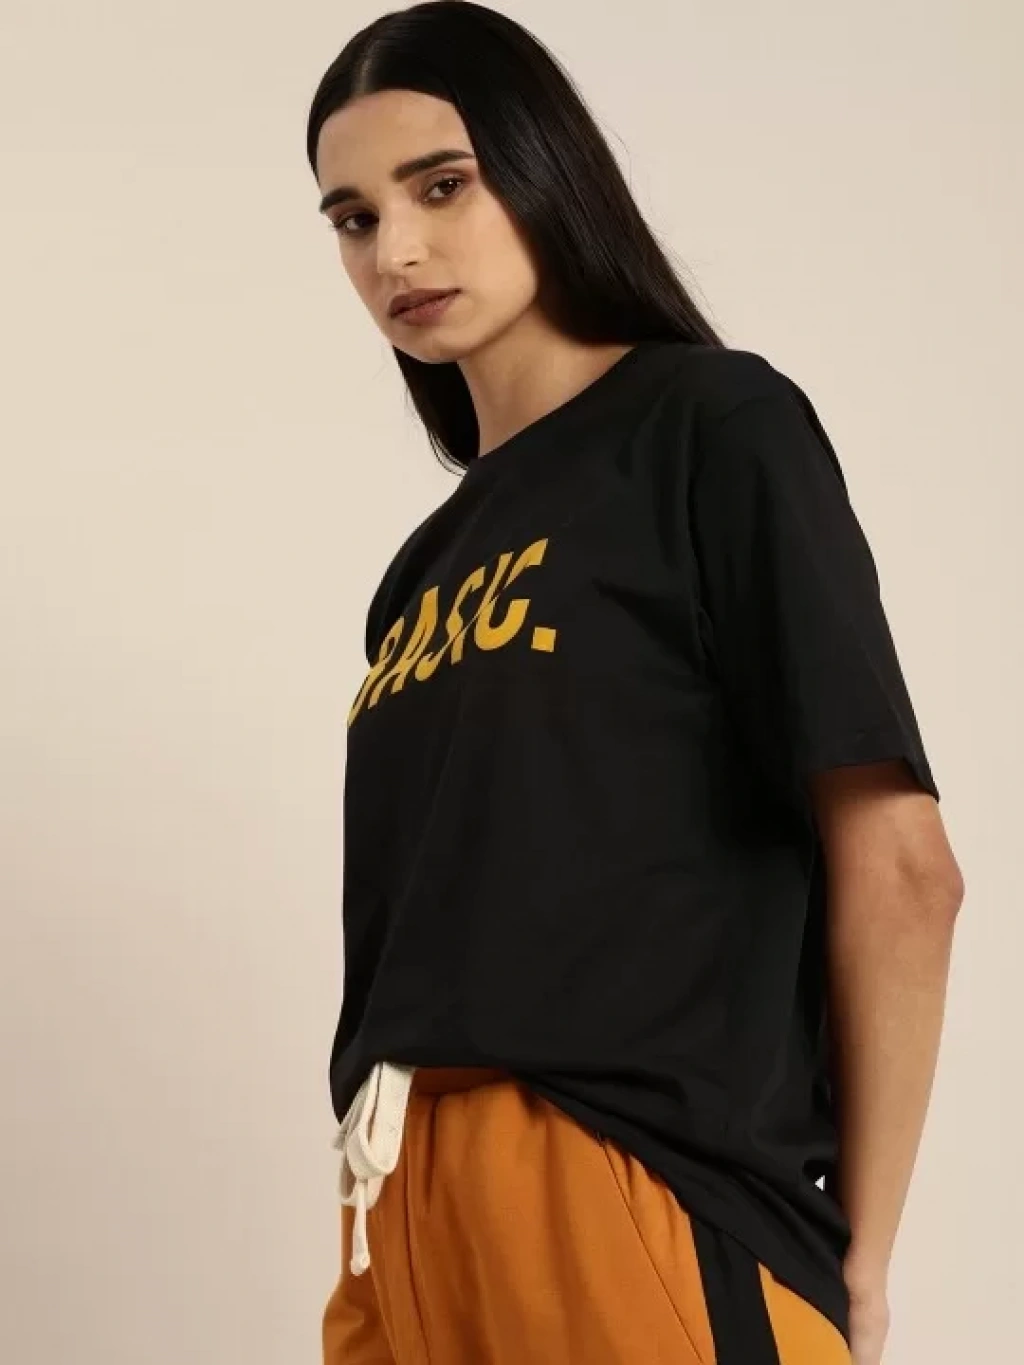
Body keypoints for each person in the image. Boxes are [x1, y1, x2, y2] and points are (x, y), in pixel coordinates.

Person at [305, 4, 964, 1363]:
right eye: (355, 219)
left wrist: (862, 1255)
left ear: (543, 166)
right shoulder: (423, 568)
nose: (397, 252)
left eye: (442, 186)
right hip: (397, 1209)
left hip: (629, 1185)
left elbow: (902, 863)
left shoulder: (712, 427)